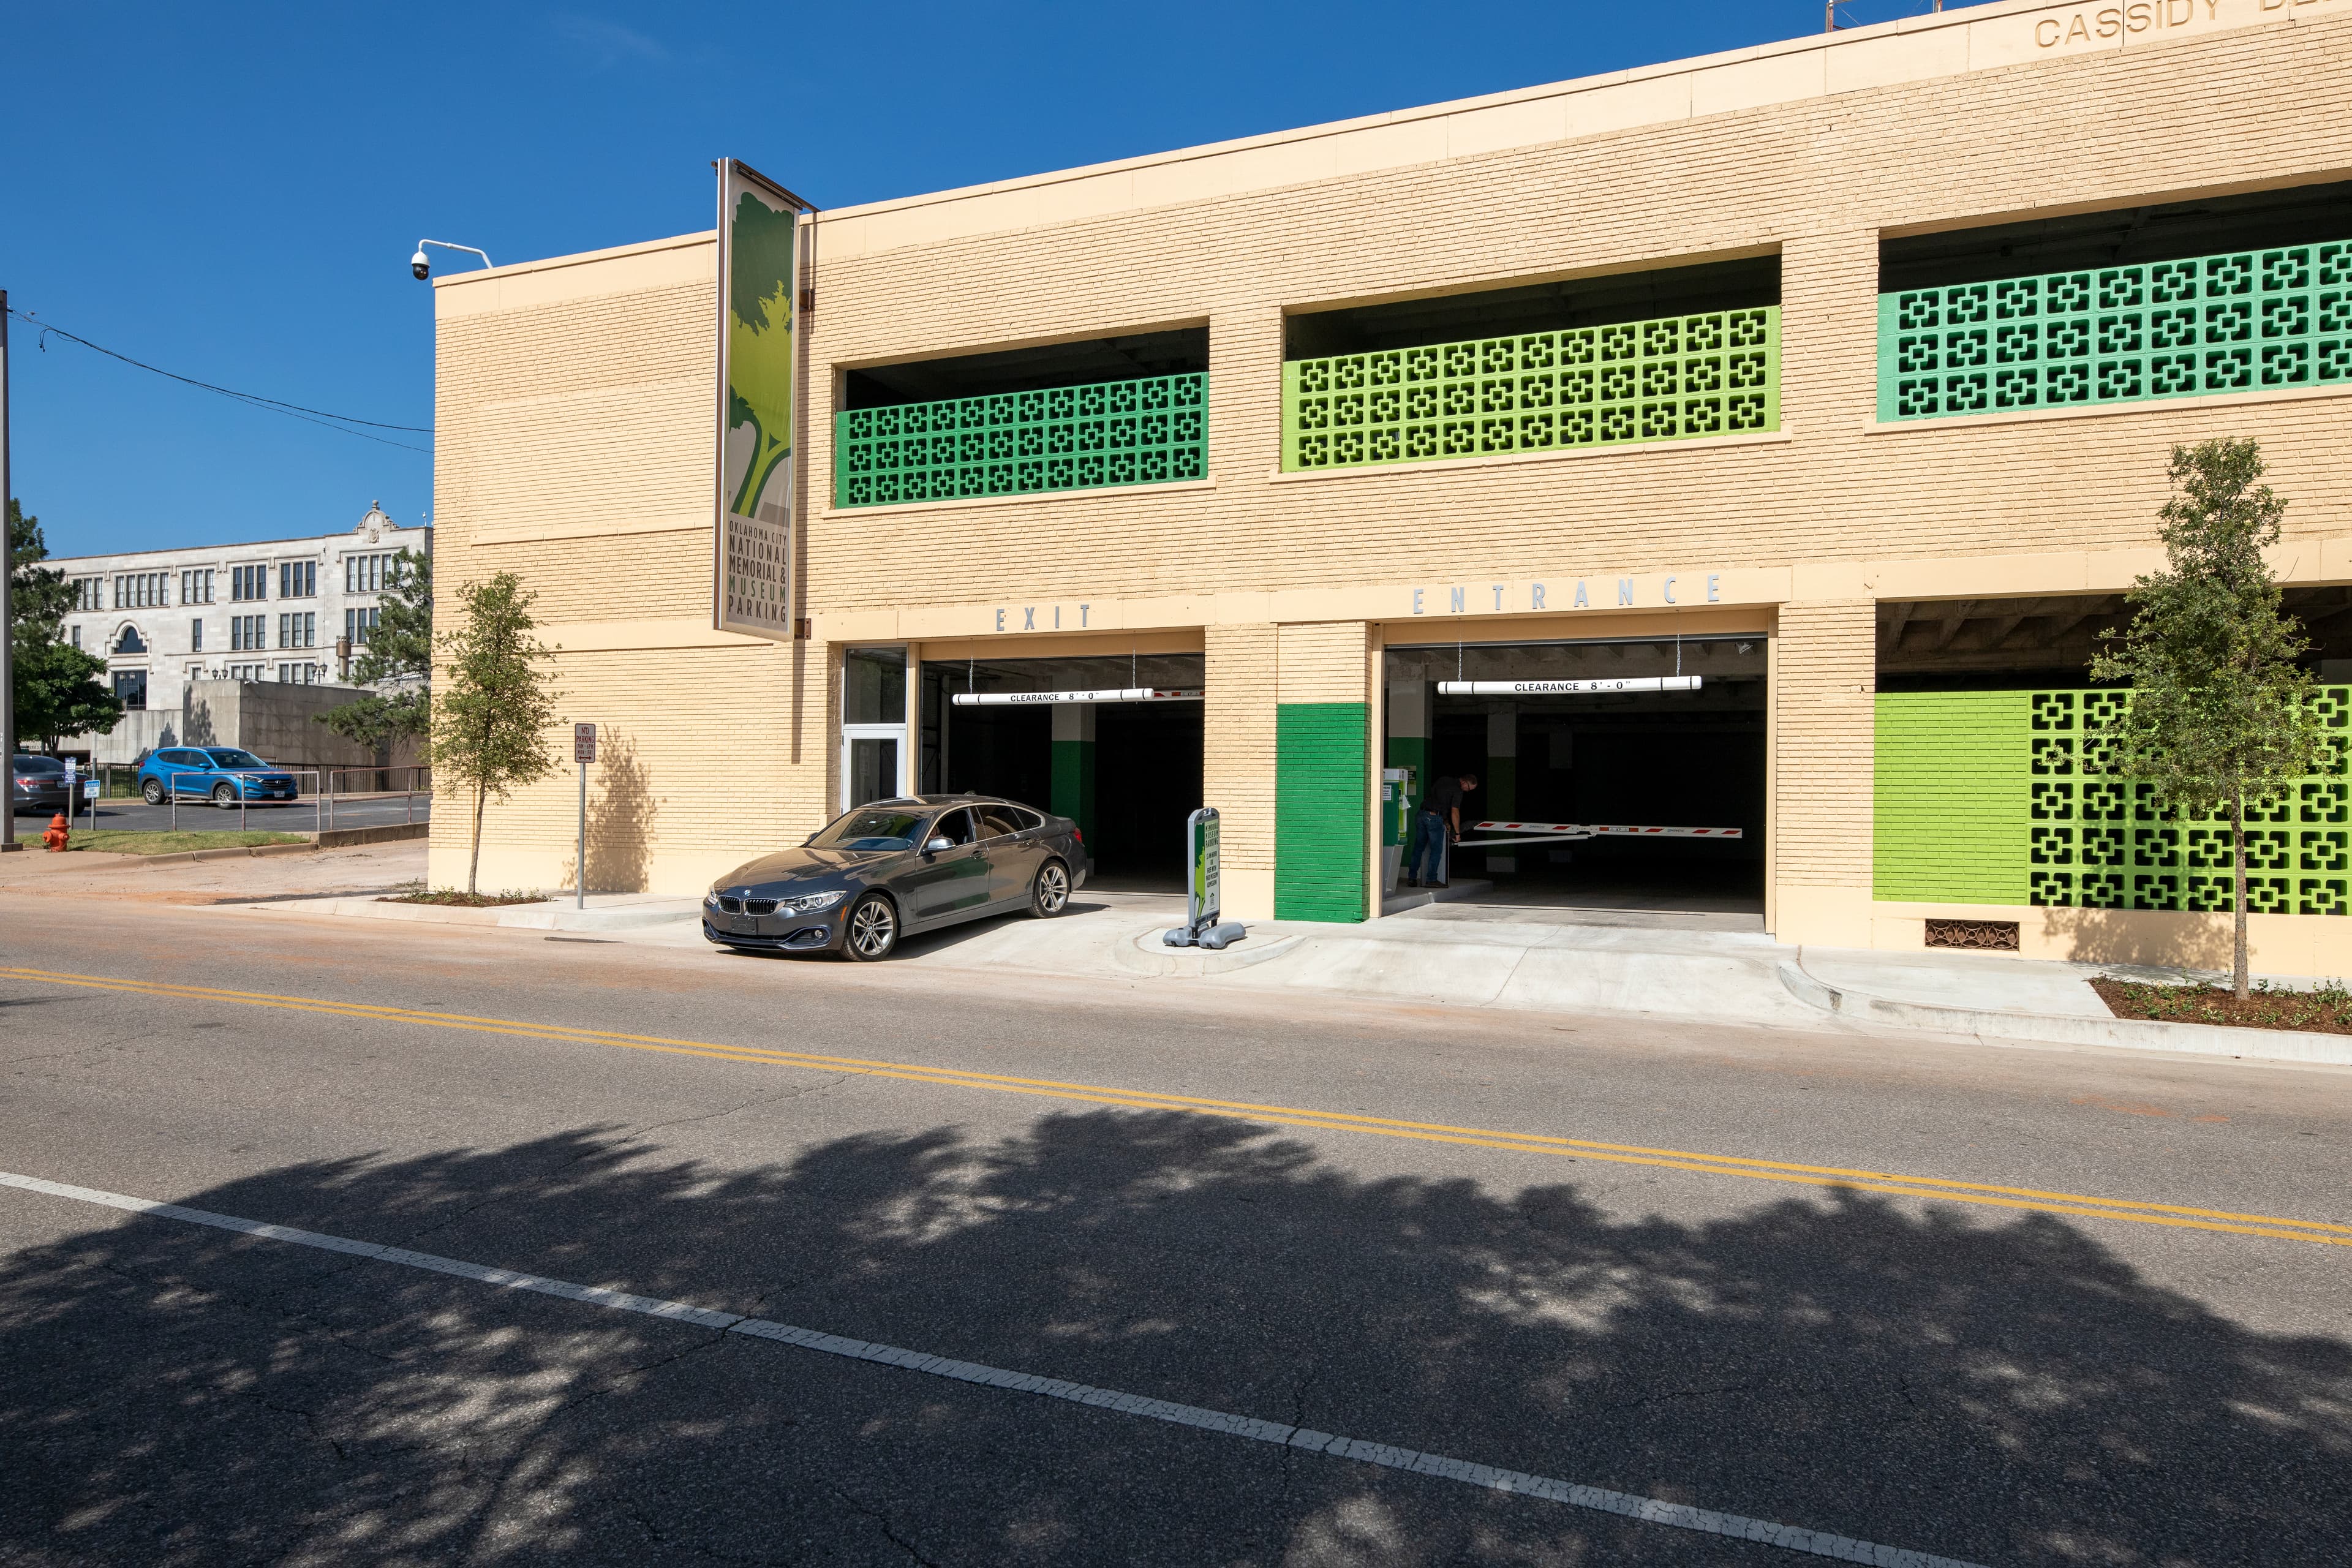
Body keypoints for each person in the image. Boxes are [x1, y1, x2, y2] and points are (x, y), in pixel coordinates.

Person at [1405, 772, 1477, 888]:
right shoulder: (1458, 790)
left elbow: (1438, 801)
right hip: (1434, 818)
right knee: (1436, 851)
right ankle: (1431, 879)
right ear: (1463, 782)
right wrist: (1457, 833)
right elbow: (1455, 811)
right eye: (1468, 788)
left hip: (1421, 814)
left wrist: (1445, 821)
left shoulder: (1443, 779)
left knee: (1418, 849)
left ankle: (1412, 878)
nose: (1467, 791)